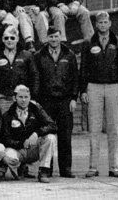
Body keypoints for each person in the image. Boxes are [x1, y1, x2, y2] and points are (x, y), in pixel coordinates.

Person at [80, 11, 118, 178]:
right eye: (99, 22)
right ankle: (93, 167)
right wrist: (83, 90)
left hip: (114, 87)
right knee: (94, 128)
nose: (102, 25)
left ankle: (114, 167)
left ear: (109, 24)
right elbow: (84, 68)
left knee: (113, 129)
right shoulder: (88, 43)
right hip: (94, 87)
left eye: (105, 22)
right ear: (96, 25)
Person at [33, 27, 78, 178]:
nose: (53, 39)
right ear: (47, 38)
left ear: (60, 37)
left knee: (65, 135)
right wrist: (37, 101)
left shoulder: (69, 54)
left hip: (65, 100)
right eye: (51, 36)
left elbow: (75, 78)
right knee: (48, 135)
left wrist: (73, 98)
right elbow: (36, 78)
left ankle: (66, 169)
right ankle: (48, 168)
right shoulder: (39, 55)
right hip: (46, 101)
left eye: (56, 36)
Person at [0, 84, 57, 183]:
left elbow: (52, 125)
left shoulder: (36, 109)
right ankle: (19, 166)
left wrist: (37, 133)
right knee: (8, 156)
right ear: (15, 98)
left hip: (33, 148)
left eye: (26, 97)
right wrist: (21, 143)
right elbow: (5, 138)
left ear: (30, 97)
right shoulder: (8, 114)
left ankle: (43, 170)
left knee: (51, 138)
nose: (23, 100)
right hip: (17, 149)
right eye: (20, 97)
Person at [0, 26, 39, 114]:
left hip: (22, 98)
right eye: (6, 38)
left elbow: (34, 76)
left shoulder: (27, 55)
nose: (9, 40)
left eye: (12, 38)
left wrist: (33, 98)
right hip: (3, 98)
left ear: (17, 39)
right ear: (2, 39)